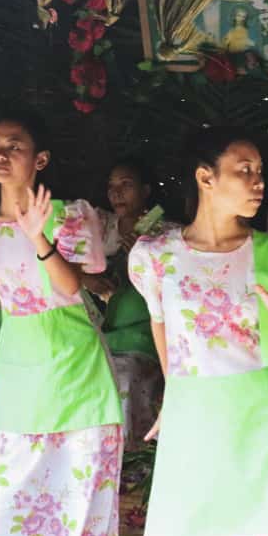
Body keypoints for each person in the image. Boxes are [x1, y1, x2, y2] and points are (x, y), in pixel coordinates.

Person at [129, 126, 268, 536]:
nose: (258, 181)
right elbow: (160, 323)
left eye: (259, 170)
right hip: (196, 423)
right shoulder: (155, 255)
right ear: (206, 177)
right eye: (244, 170)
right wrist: (173, 397)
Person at [0, 111, 122, 536]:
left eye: (15, 145)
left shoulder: (70, 216)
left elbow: (70, 285)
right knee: (17, 487)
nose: (1, 153)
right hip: (19, 362)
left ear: (41, 159)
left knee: (81, 482)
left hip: (76, 361)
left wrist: (37, 236)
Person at [85, 158, 172, 448]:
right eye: (112, 187)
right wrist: (88, 280)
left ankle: (131, 450)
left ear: (146, 190)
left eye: (126, 185)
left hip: (143, 330)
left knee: (124, 375)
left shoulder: (166, 231)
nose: (117, 193)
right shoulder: (97, 225)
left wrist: (142, 257)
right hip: (96, 328)